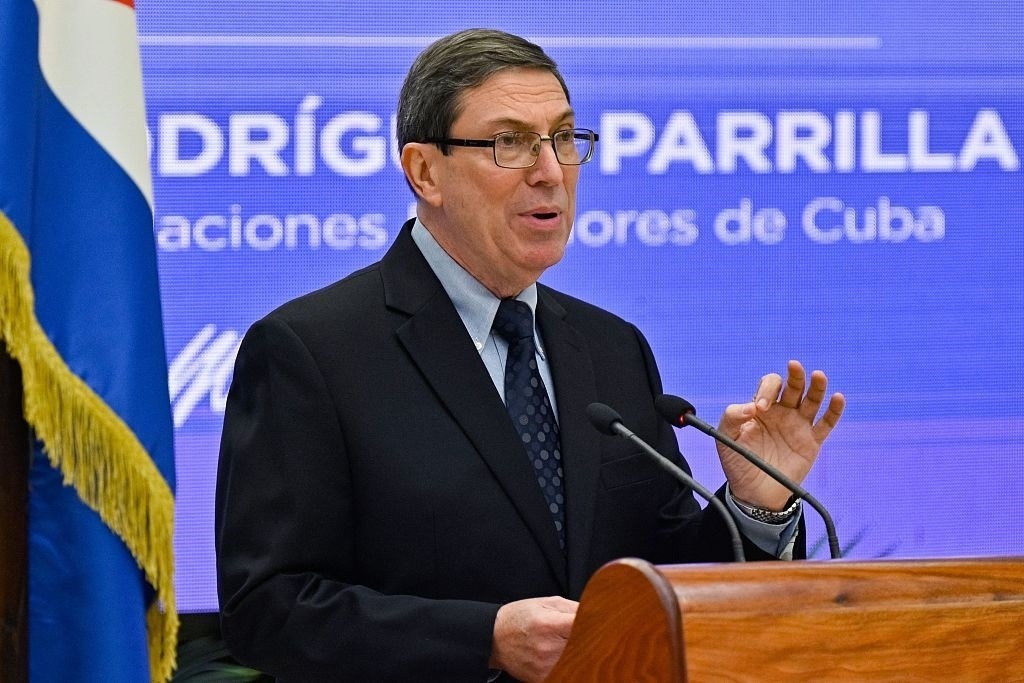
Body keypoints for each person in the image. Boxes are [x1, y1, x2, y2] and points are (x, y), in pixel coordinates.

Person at [215, 28, 845, 682]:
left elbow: (658, 576)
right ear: (425, 171)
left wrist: (755, 505)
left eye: (563, 138)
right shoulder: (311, 351)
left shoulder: (612, 347)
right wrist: (484, 639)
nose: (549, 172)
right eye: (509, 143)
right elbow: (268, 608)